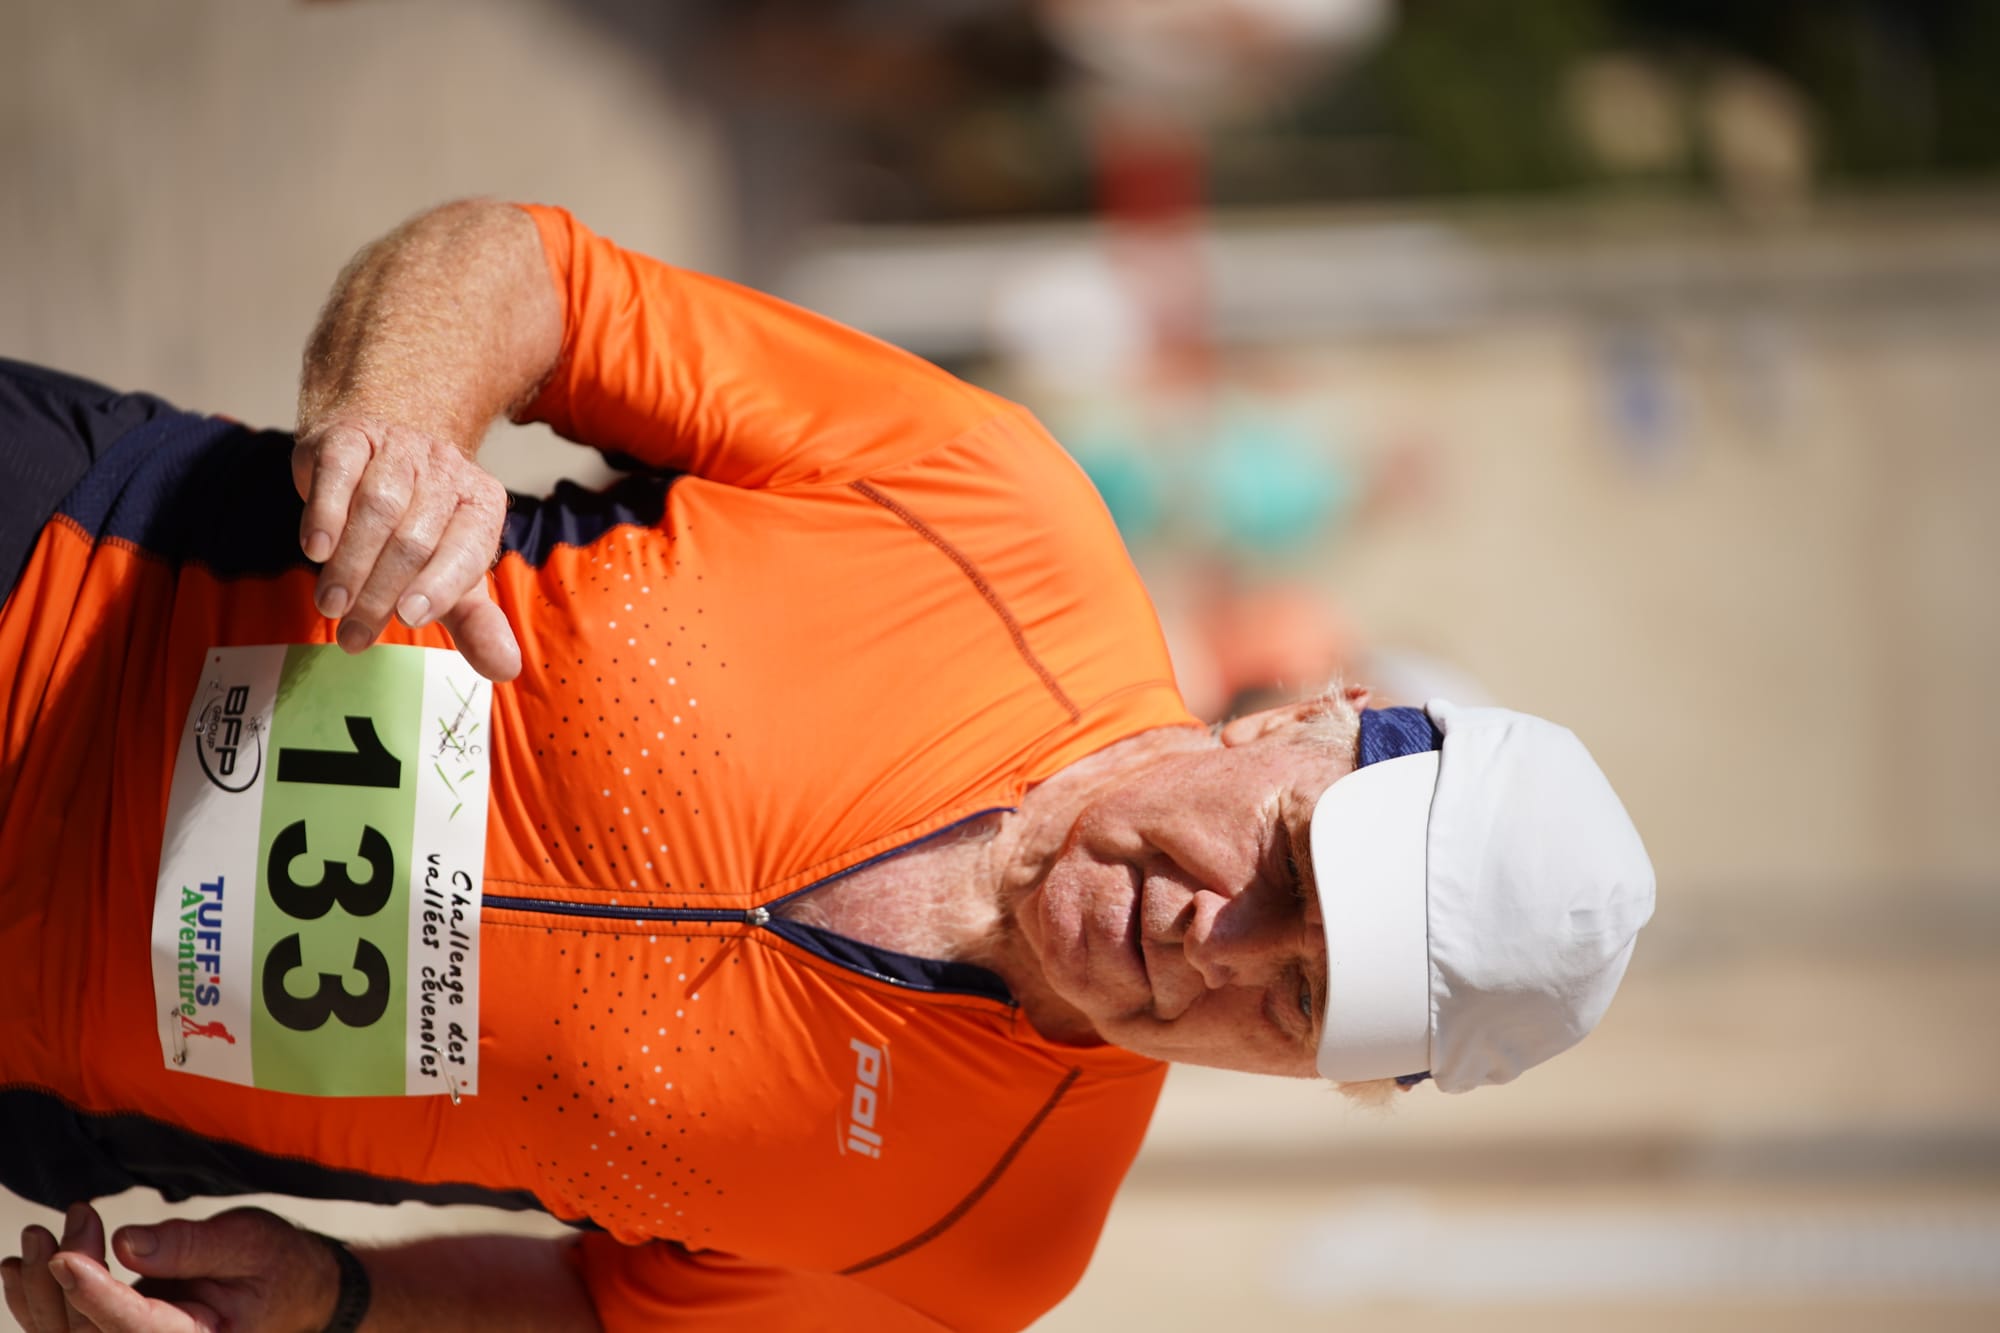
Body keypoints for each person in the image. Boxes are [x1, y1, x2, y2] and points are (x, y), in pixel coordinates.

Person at [0, 200, 1654, 1333]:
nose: (1213, 943)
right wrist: (398, 431)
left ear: (1322, 1085)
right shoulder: (995, 512)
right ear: (1300, 717)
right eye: (1289, 867)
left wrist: (339, 1302)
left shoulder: (994, 1243)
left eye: (1296, 999)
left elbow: (605, 1313)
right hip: (48, 577)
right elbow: (521, 274)